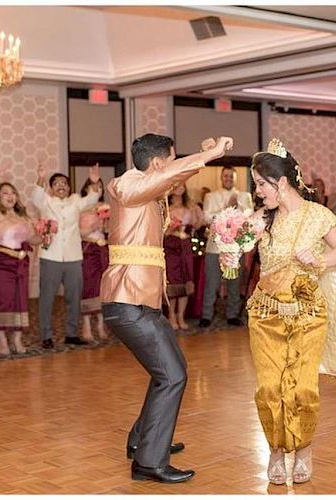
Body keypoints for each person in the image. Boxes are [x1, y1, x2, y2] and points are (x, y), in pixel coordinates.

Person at [101, 133, 234, 484]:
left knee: (172, 371)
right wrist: (207, 157)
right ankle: (148, 462)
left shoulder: (148, 188)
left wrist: (199, 155)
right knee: (172, 375)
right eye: (171, 161)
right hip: (127, 301)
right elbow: (165, 178)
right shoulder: (125, 186)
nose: (173, 168)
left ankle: (142, 440)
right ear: (158, 163)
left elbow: (167, 178)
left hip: (140, 301)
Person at [221, 139, 336, 485]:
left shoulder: (317, 215)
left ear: (281, 183)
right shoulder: (262, 218)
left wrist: (320, 259)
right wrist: (231, 246)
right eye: (256, 185)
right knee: (268, 388)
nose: (258, 191)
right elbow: (234, 245)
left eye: (261, 184)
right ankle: (276, 451)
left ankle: (304, 448)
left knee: (303, 389)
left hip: (308, 314)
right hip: (266, 314)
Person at [32, 164, 101, 349]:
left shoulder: (76, 201)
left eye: (64, 183)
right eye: (56, 183)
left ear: (69, 187)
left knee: (74, 298)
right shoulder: (45, 202)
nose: (61, 186)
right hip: (50, 256)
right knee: (47, 298)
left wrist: (94, 183)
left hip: (73, 257)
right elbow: (36, 196)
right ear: (51, 188)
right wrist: (41, 178)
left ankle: (72, 334)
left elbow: (92, 200)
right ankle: (46, 335)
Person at [0, 165, 39, 356]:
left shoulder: (24, 218)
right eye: (5, 193)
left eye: (13, 193)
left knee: (19, 301)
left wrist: (45, 236)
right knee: (1, 301)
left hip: (20, 264)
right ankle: (2, 340)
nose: (10, 196)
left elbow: (33, 240)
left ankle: (17, 339)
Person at [199, 166, 254, 328]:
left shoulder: (245, 196)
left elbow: (248, 218)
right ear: (221, 178)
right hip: (214, 247)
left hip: (236, 248)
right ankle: (206, 315)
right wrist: (226, 209)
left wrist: (238, 209)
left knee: (234, 283)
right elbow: (207, 218)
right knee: (211, 282)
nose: (228, 178)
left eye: (231, 176)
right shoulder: (211, 196)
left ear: (235, 178)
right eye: (226, 176)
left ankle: (232, 314)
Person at [164, 182, 204, 330]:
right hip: (170, 245)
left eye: (183, 184)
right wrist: (170, 228)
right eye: (177, 184)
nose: (180, 187)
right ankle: (171, 316)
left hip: (186, 244)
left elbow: (198, 225)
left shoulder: (190, 206)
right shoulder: (165, 207)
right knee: (174, 281)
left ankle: (181, 315)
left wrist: (198, 215)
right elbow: (160, 231)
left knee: (186, 279)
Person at [79, 177, 110, 342]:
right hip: (87, 248)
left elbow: (110, 229)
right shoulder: (80, 207)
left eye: (99, 187)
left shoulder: (105, 207)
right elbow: (76, 232)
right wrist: (93, 225)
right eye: (93, 187)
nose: (97, 190)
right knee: (88, 287)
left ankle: (100, 324)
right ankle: (86, 325)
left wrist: (105, 225)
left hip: (102, 248)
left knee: (102, 287)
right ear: (86, 189)